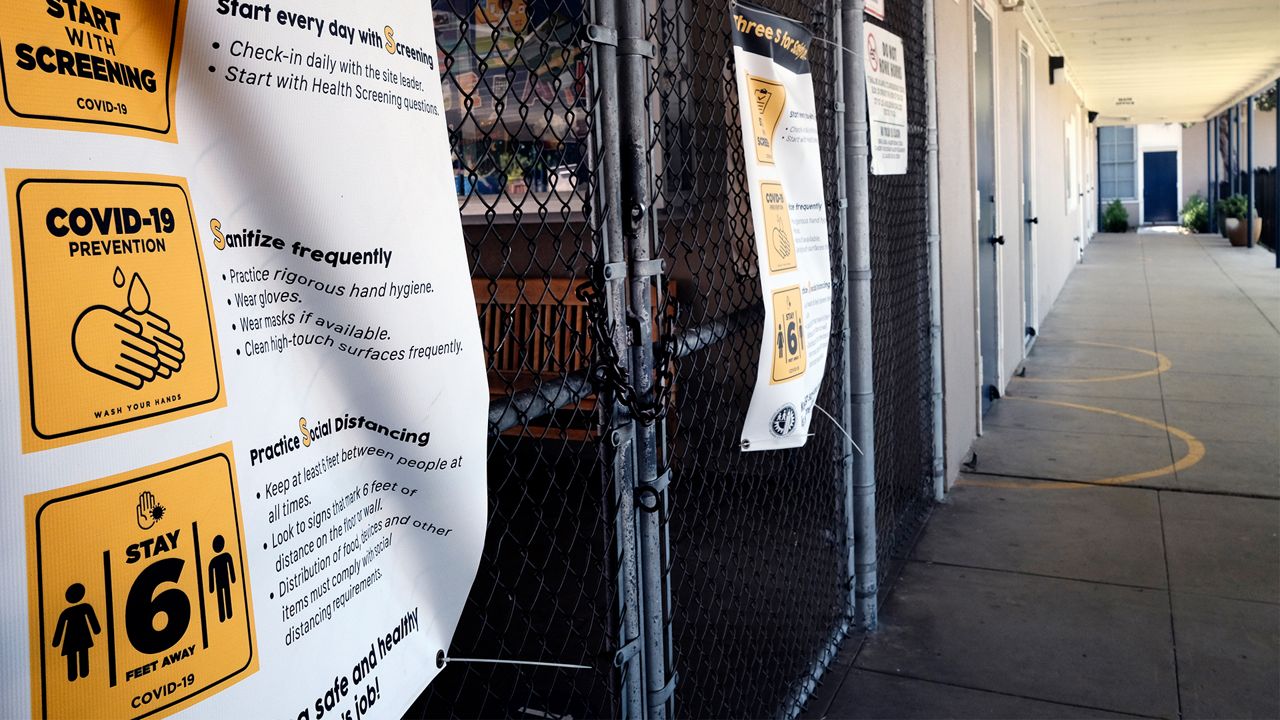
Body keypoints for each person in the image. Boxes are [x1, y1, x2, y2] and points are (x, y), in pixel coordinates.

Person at [52, 583, 100, 682]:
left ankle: (77, 674)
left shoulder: (68, 612)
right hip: (80, 636)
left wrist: (56, 642)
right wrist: (96, 630)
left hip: (74, 638)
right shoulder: (84, 608)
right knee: (79, 654)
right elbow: (60, 627)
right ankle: (80, 673)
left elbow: (60, 628)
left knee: (77, 655)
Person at [207, 535, 237, 622]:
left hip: (224, 581)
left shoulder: (226, 556)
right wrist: (211, 587)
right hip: (219, 583)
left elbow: (230, 567)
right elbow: (211, 575)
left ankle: (228, 612)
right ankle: (223, 615)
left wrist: (233, 578)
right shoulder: (213, 561)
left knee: (226, 596)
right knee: (221, 598)